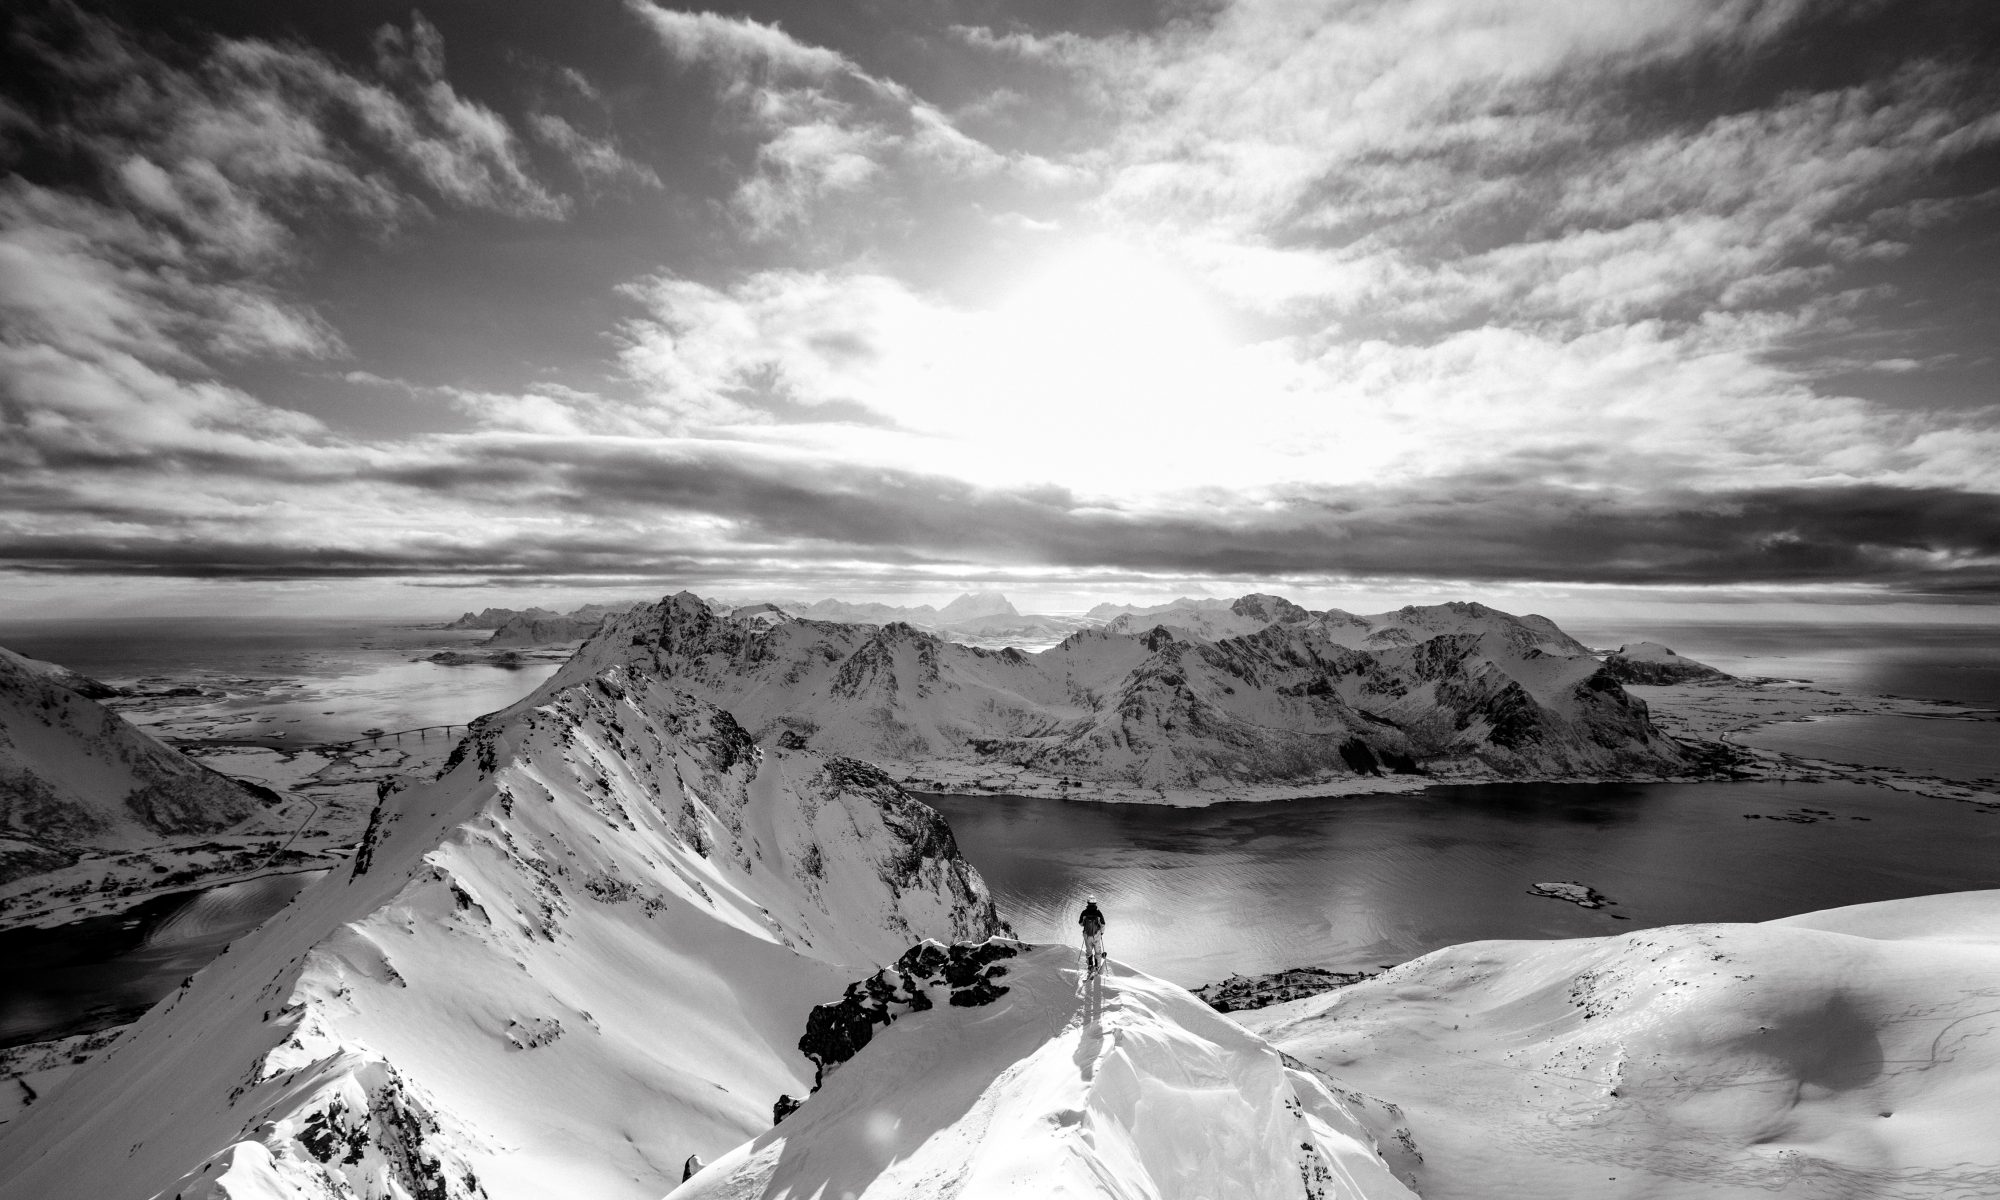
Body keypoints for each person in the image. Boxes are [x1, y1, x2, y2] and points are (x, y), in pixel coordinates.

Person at [1079, 896, 1106, 976]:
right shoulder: (1098, 913)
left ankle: (1090, 966)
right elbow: (1103, 924)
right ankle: (1097, 967)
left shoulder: (1084, 912)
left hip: (1087, 935)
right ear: (1095, 903)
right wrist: (1101, 933)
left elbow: (1080, 923)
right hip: (1096, 935)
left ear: (1088, 903)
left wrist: (1085, 924)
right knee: (1097, 951)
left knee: (1089, 951)